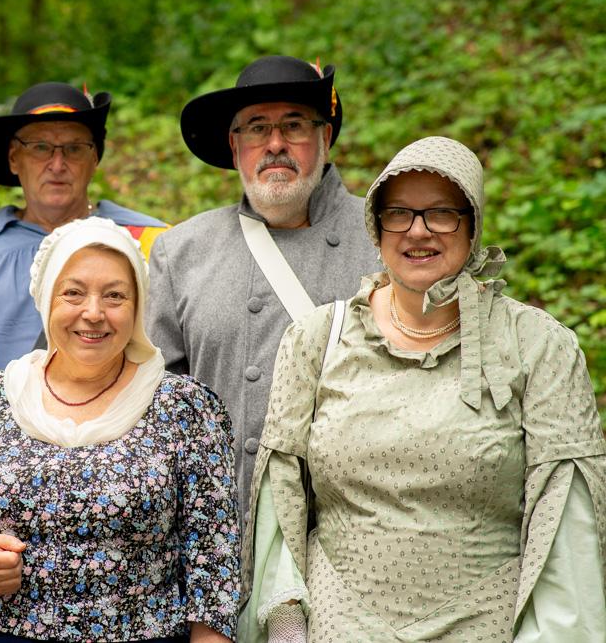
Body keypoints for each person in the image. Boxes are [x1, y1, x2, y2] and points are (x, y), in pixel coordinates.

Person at [241, 136, 606, 642]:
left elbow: (565, 525)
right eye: (400, 213)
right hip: (338, 627)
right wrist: (284, 623)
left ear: (472, 224)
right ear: (376, 226)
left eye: (441, 213)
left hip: (486, 628)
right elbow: (279, 503)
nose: (418, 231)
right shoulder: (316, 340)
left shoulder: (540, 346)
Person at [0, 217, 240, 642]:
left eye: (115, 296)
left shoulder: (184, 408)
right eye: (74, 293)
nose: (94, 313)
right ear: (47, 298)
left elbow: (214, 561)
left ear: (138, 306)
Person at [147, 56, 379, 519]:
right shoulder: (181, 251)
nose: (275, 144)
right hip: (216, 529)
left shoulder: (384, 238)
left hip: (352, 528)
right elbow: (154, 409)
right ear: (235, 148)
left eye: (294, 126)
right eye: (256, 128)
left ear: (324, 138)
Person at [0, 82, 168, 369]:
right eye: (41, 148)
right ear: (13, 158)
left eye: (74, 148)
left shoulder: (151, 242)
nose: (57, 164)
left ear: (94, 158)